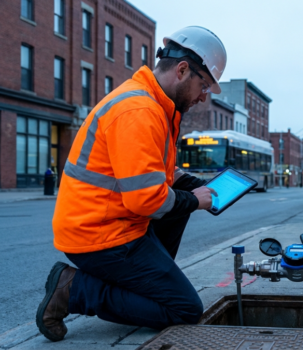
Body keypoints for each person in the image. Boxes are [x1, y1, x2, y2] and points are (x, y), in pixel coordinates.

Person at [36, 26, 227, 341]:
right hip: (100, 234)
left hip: (113, 223)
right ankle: (73, 289)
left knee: (180, 202)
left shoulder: (154, 103)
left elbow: (146, 169)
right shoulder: (139, 110)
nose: (204, 97)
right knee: (184, 309)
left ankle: (139, 285)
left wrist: (188, 182)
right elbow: (146, 201)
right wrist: (196, 200)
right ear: (182, 70)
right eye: (204, 85)